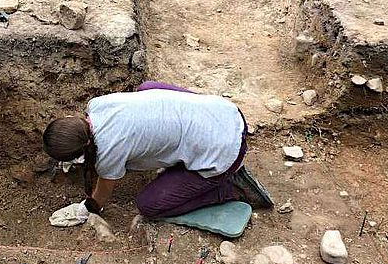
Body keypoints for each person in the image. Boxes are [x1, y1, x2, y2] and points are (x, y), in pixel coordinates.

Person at [43, 81, 273, 227]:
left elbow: (101, 196)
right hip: (225, 112)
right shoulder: (97, 105)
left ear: (81, 153)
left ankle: (231, 187)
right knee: (147, 88)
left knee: (148, 205)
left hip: (225, 152)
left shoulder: (109, 152)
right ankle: (187, 147)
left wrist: (88, 207)